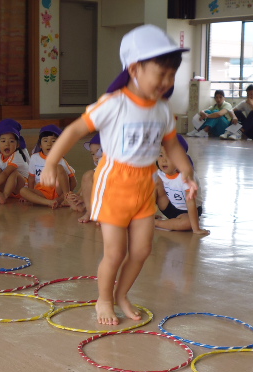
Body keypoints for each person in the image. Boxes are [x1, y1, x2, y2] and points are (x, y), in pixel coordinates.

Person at [40, 24, 198, 325]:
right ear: (135, 69)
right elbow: (74, 129)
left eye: (172, 74)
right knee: (115, 251)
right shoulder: (114, 104)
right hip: (113, 184)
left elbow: (171, 144)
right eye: (161, 73)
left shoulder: (163, 110)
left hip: (144, 185)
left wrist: (187, 171)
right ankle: (104, 298)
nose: (167, 81)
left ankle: (122, 294)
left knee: (141, 250)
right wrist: (51, 163)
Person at [155, 135, 207, 234]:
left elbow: (191, 203)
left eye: (169, 156)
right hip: (169, 206)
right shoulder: (160, 174)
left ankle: (156, 223)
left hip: (188, 212)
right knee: (153, 182)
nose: (163, 160)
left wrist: (196, 229)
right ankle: (147, 215)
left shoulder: (186, 176)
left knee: (188, 223)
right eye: (160, 155)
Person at [19, 125, 76, 208]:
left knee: (59, 167)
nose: (49, 144)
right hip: (41, 192)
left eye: (53, 141)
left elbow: (73, 182)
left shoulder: (61, 160)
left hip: (58, 190)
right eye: (45, 141)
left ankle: (64, 199)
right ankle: (48, 202)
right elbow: (31, 178)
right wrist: (30, 195)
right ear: (40, 145)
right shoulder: (34, 158)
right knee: (23, 190)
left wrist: (64, 196)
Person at [66, 133, 102, 223]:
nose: (96, 157)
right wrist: (78, 196)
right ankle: (89, 211)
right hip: (97, 201)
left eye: (99, 152)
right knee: (88, 175)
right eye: (93, 154)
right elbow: (86, 185)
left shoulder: (116, 167)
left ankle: (100, 213)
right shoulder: (96, 170)